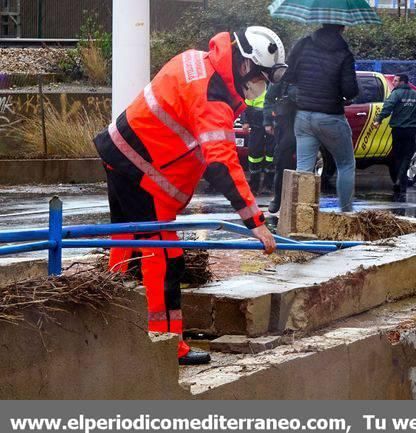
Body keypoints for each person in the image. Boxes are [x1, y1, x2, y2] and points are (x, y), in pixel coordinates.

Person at [93, 27, 286, 366]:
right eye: (260, 77)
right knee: (165, 256)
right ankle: (168, 345)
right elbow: (221, 163)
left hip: (119, 152)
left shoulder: (198, 60)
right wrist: (255, 221)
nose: (260, 85)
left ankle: (109, 315)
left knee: (125, 237)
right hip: (142, 171)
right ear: (244, 65)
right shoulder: (213, 97)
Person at [284, 24, 359, 212]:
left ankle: (301, 216)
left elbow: (289, 75)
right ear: (342, 27)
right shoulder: (344, 53)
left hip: (303, 116)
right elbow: (350, 90)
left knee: (304, 169)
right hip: (330, 117)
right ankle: (346, 213)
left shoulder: (303, 44)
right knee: (346, 164)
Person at [373, 74, 416, 193]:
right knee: (407, 156)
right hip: (411, 131)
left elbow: (388, 107)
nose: (394, 82)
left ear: (403, 82)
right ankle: (400, 181)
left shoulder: (396, 94)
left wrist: (379, 119)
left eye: (396, 80)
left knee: (397, 155)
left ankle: (398, 179)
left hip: (397, 129)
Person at [264, 80, 297, 214]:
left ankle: (298, 201)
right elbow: (269, 98)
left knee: (305, 166)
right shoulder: (284, 73)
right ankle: (278, 198)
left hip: (305, 121)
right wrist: (267, 121)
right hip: (286, 123)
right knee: (282, 163)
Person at [242, 87, 275, 195]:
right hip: (256, 123)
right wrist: (245, 121)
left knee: (271, 154)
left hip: (273, 122)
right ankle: (254, 186)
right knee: (254, 154)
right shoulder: (256, 84)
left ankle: (268, 185)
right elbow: (246, 104)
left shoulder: (275, 83)